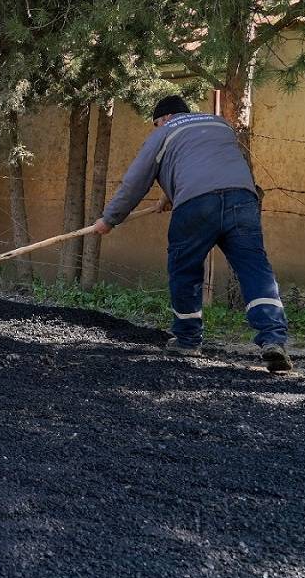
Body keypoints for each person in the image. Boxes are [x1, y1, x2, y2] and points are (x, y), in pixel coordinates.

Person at [94, 95, 291, 372]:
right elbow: (206, 162)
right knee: (255, 270)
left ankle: (187, 340)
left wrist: (110, 219)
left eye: (155, 124)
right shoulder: (219, 124)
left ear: (163, 119)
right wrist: (170, 194)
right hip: (242, 200)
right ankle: (273, 339)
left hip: (197, 206)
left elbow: (135, 182)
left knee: (184, 268)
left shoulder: (162, 133)